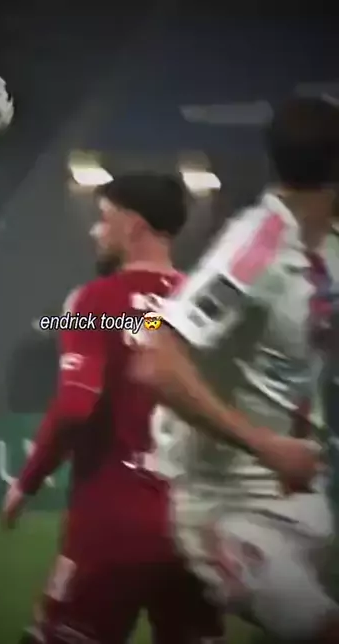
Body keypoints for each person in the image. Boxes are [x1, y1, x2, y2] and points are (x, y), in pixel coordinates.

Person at [131, 96, 339, 642]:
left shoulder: (328, 250)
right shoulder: (255, 248)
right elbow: (157, 360)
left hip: (306, 495)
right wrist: (264, 445)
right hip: (228, 506)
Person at [2, 173, 224, 644]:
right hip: (195, 527)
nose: (95, 231)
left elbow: (74, 406)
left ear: (133, 225)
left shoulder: (95, 303)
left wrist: (27, 481)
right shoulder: (205, 308)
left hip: (113, 525)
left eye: (103, 219)